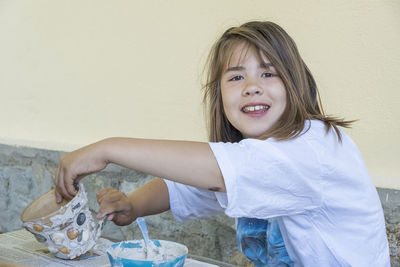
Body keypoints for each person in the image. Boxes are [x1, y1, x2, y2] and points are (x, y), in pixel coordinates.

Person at [54, 21, 390, 266]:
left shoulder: (313, 149)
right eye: (236, 77)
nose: (252, 86)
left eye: (269, 73)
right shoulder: (257, 155)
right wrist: (133, 205)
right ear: (219, 96)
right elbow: (184, 188)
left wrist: (106, 148)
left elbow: (216, 172)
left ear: (296, 85)